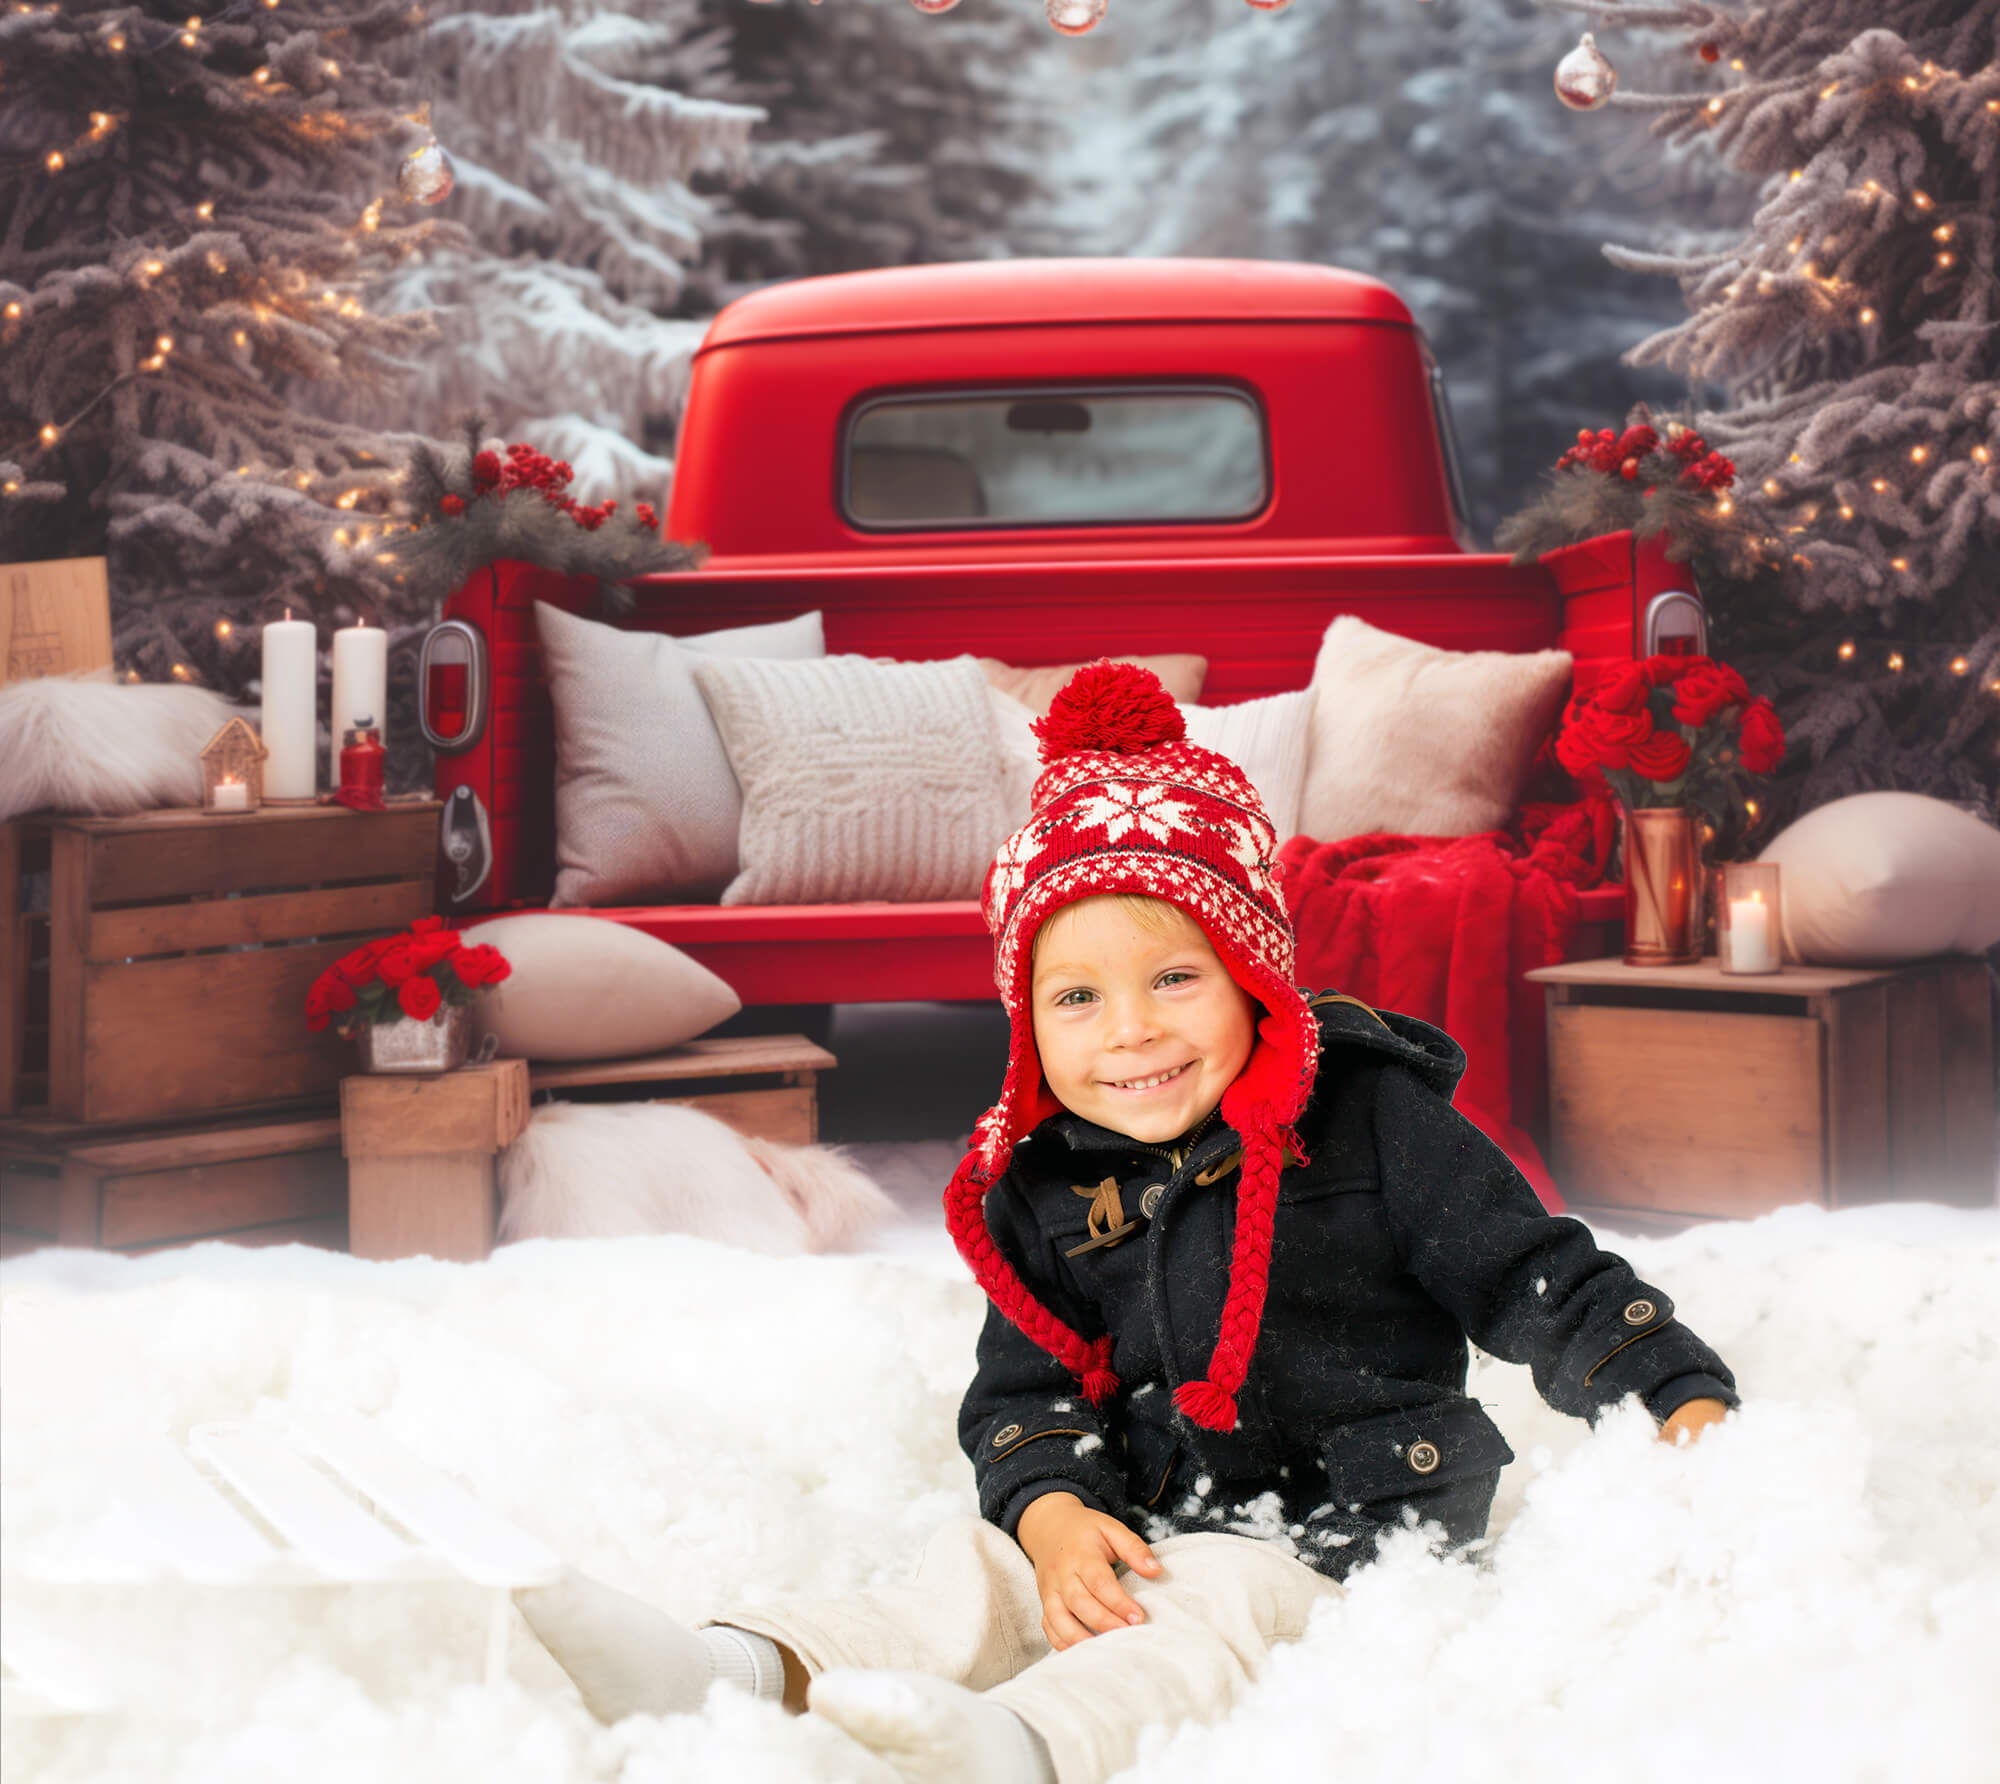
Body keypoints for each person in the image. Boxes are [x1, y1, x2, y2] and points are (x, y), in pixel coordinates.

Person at [516, 661, 1738, 1784]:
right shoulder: (1045, 1179)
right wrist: (1049, 1512)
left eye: (1172, 978)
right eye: (1077, 997)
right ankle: (736, 1668)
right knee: (971, 1574)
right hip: (1147, 1495)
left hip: (1349, 1524)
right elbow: (1022, 1392)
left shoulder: (1372, 1120)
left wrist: (1668, 1390)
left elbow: (1534, 1272)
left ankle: (1033, 1738)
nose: (1128, 1030)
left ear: (1253, 977)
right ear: (1027, 1022)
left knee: (1202, 1610)